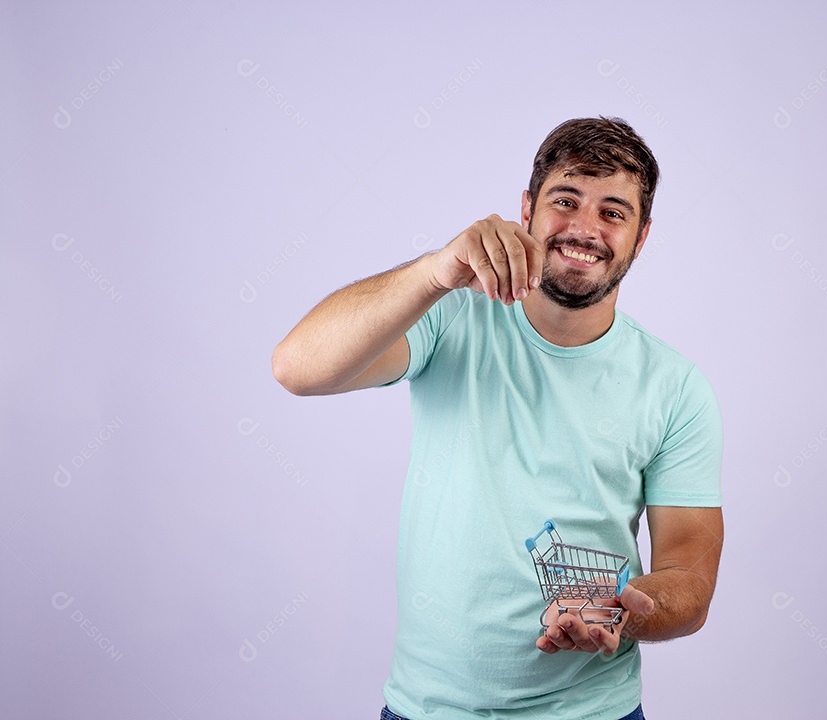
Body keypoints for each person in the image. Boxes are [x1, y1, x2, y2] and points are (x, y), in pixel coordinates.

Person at [272, 116, 724, 720]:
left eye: (614, 212)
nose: (585, 228)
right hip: (427, 710)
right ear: (527, 210)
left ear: (640, 238)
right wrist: (435, 272)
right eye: (566, 200)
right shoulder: (451, 317)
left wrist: (619, 606)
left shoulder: (675, 388)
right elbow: (297, 368)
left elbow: (689, 578)